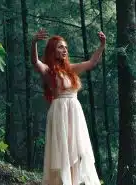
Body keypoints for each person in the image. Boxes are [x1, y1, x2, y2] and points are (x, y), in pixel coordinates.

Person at [31, 29, 106, 185]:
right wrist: (34, 43)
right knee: (62, 151)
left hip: (75, 112)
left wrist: (102, 45)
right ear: (52, 50)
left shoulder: (71, 69)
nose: (64, 50)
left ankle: (74, 182)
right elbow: (35, 62)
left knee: (77, 150)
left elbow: (92, 62)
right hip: (59, 112)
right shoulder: (48, 70)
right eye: (60, 47)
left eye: (65, 47)